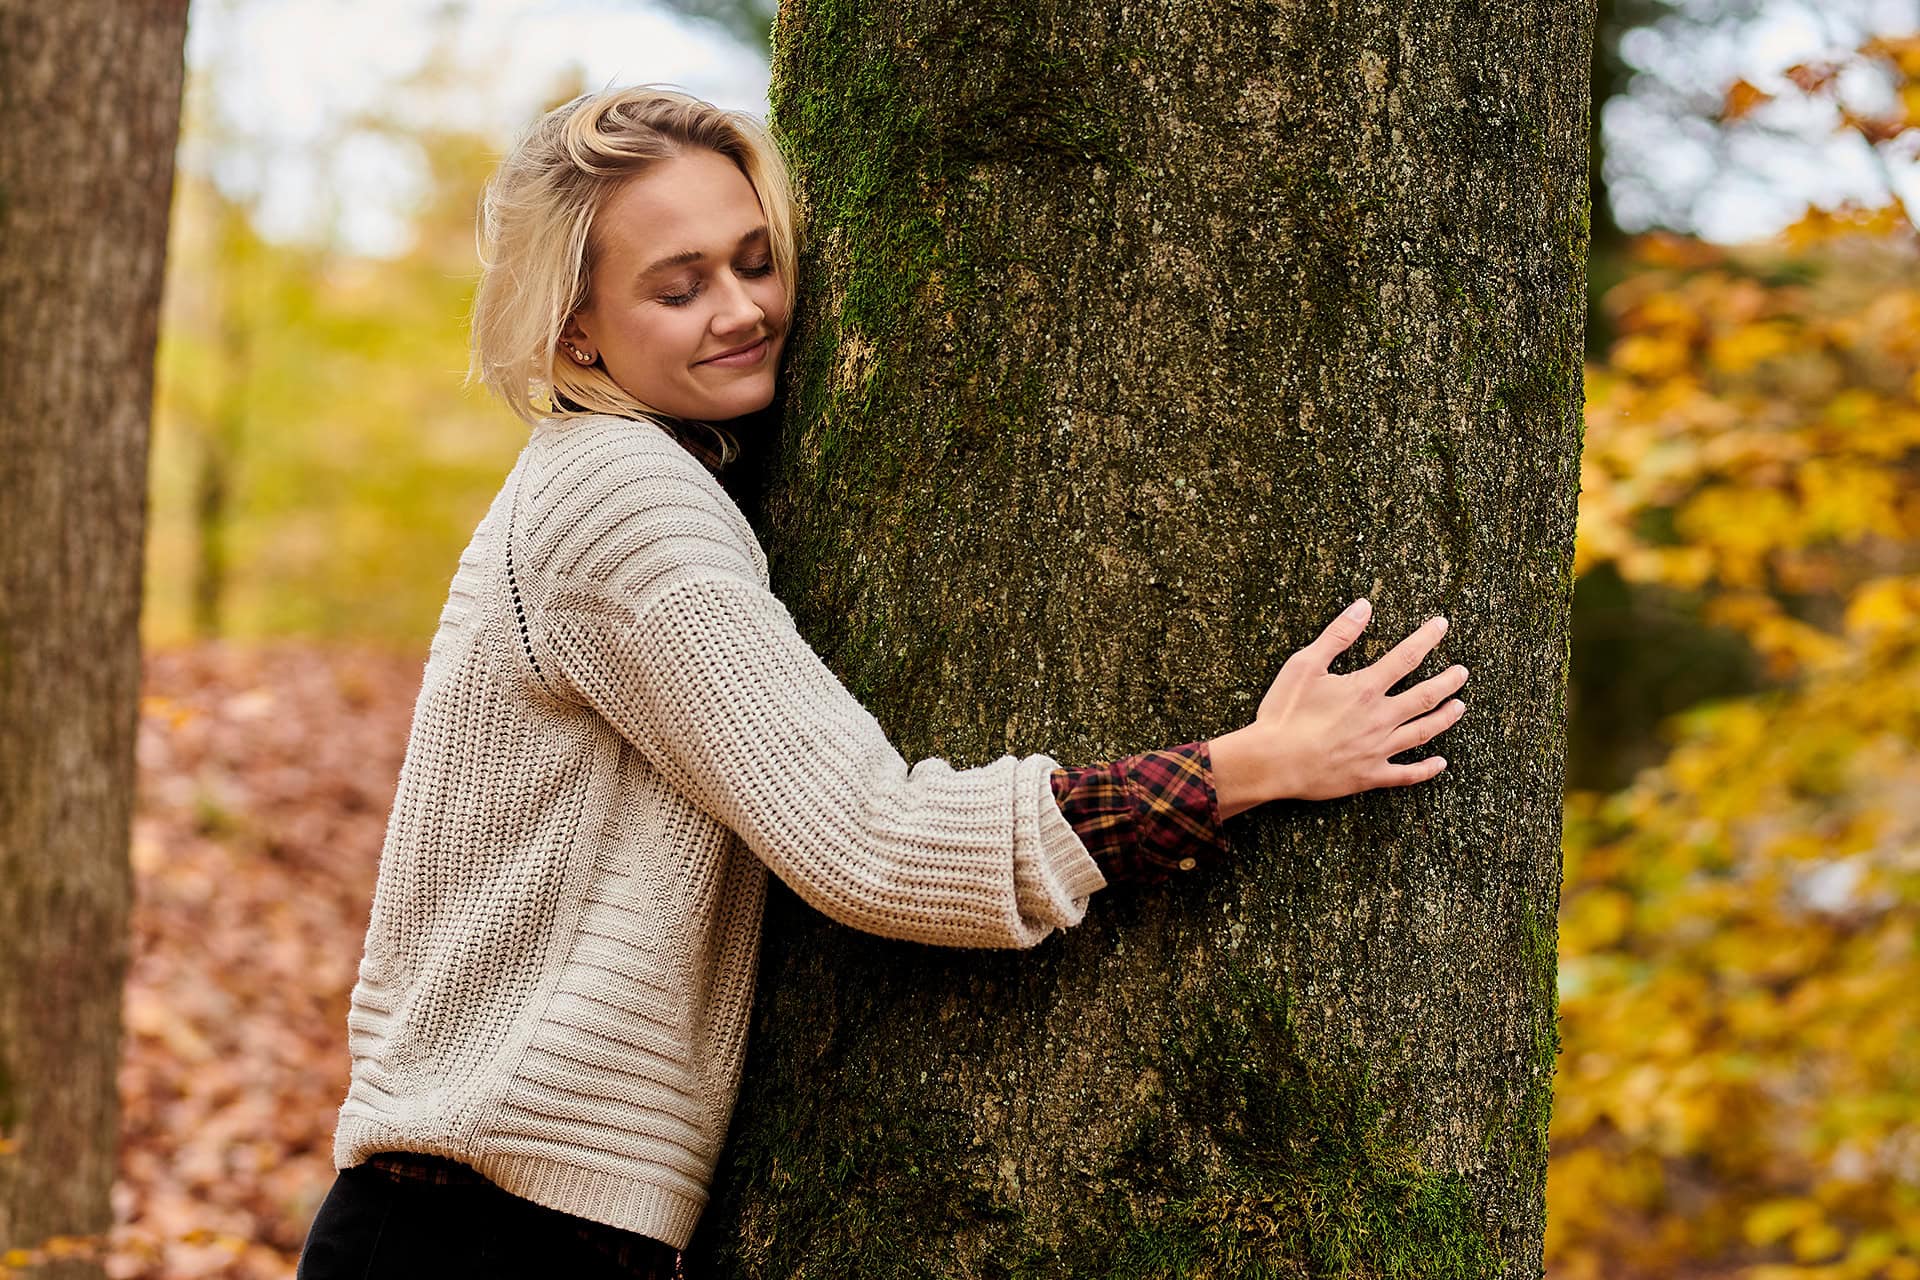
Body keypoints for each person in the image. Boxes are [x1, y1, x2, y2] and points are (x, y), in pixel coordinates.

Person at [294, 85, 1469, 1279]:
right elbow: (874, 842)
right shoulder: (621, 497)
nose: (744, 309)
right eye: (679, 284)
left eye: (758, 261)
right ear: (575, 329)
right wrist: (1248, 767)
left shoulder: (622, 482)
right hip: (480, 1231)